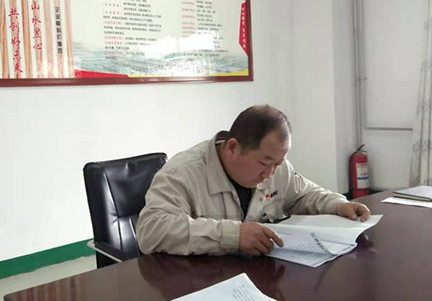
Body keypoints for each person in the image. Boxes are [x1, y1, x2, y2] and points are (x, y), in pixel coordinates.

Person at [137, 104, 370, 257]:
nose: (270, 174)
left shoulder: (275, 166)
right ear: (232, 148)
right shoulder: (182, 173)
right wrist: (233, 236)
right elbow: (151, 230)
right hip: (195, 286)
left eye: (278, 163)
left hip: (252, 280)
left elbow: (304, 194)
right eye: (264, 163)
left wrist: (338, 204)